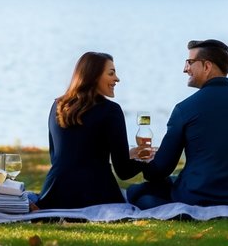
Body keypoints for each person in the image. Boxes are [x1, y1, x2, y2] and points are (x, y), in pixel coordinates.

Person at [127, 39, 228, 209]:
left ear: (207, 66)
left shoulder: (184, 109)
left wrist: (145, 160)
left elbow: (160, 170)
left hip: (198, 196)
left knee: (136, 192)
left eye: (189, 62)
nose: (185, 69)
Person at [31, 51, 144, 209]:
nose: (117, 79)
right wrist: (145, 159)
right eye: (111, 73)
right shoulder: (111, 110)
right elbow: (123, 171)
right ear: (94, 76)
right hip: (96, 196)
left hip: (55, 195)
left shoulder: (58, 105)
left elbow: (58, 157)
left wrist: (127, 155)